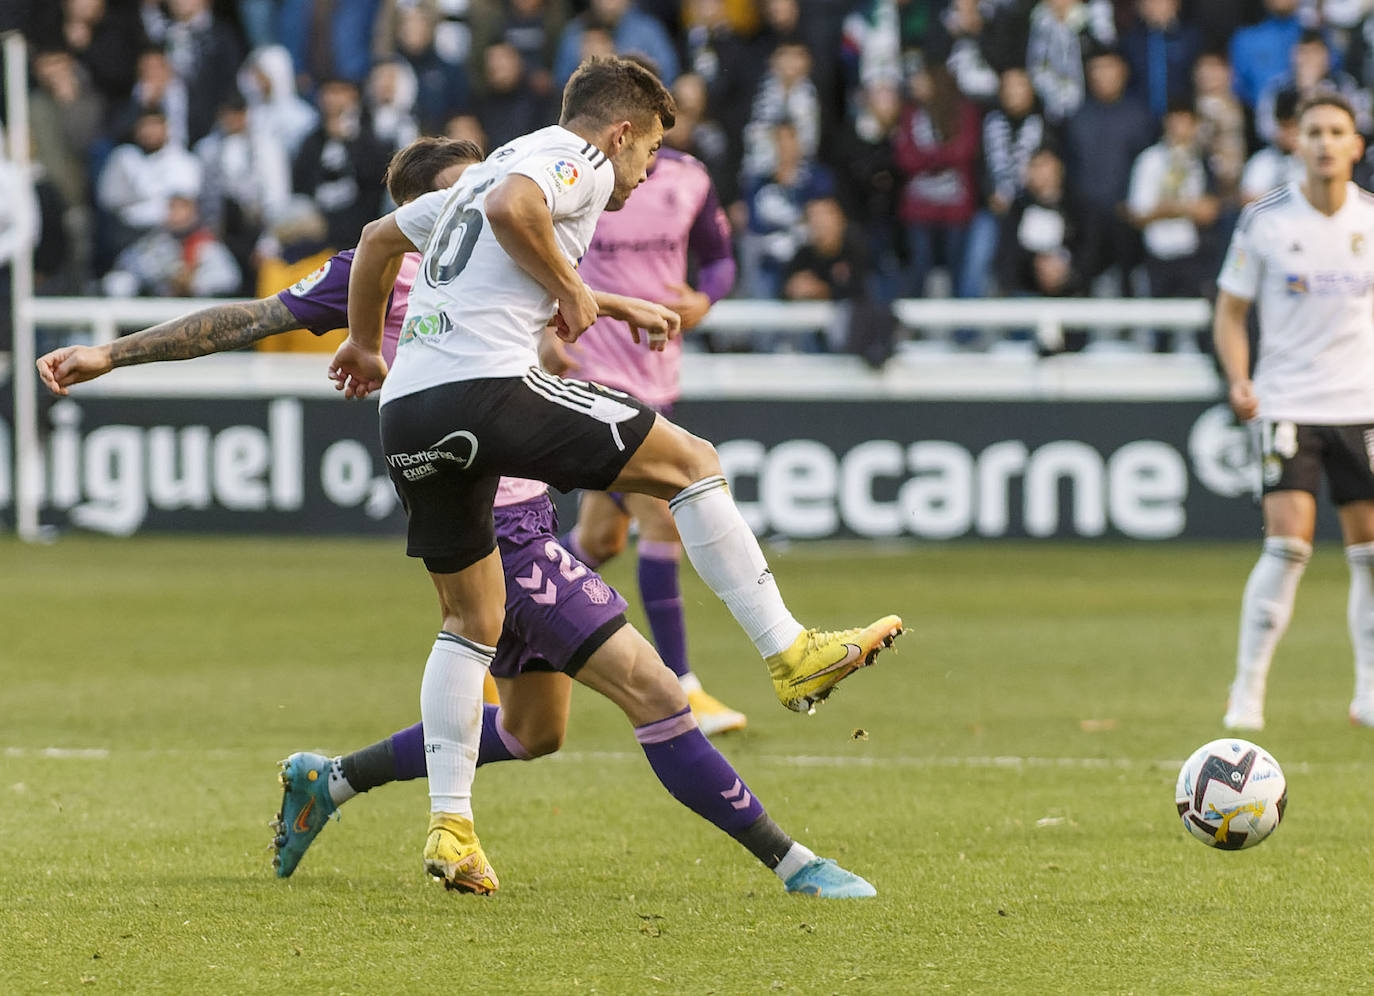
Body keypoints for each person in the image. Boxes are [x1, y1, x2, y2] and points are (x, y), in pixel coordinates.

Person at [36, 135, 881, 901]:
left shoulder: (502, 251)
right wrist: (111, 352)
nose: (485, 196)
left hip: (517, 510)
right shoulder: (389, 264)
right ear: (424, 209)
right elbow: (246, 320)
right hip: (503, 526)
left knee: (534, 731)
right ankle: (793, 862)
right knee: (657, 692)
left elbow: (548, 303)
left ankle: (329, 780)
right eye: (465, 189)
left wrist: (621, 308)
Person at [328, 56, 902, 892]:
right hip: (486, 388)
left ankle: (451, 826)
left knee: (470, 620)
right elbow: (513, 207)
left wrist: (365, 343)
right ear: (622, 131)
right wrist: (569, 287)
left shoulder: (491, 162)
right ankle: (791, 651)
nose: (643, 175)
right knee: (692, 464)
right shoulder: (575, 158)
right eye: (648, 155)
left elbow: (380, 239)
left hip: (408, 411)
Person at [554, 136, 749, 736]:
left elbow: (720, 258)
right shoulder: (573, 180)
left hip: (660, 373)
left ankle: (509, 615)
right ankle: (683, 686)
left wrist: (703, 298)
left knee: (601, 540)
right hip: (595, 375)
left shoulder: (688, 179)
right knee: (666, 517)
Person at [1213, 93, 1374, 731]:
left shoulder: (1371, 219)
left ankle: (1368, 692)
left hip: (1361, 407)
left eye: (1337, 131)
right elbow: (1229, 310)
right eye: (1314, 132)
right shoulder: (1266, 219)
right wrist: (1239, 378)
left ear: (1357, 145)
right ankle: (1246, 693)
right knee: (1287, 546)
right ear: (1296, 142)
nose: (1326, 143)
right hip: (1287, 402)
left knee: (1370, 554)